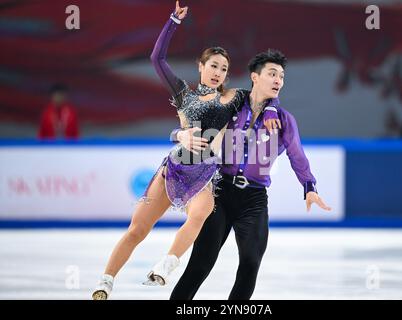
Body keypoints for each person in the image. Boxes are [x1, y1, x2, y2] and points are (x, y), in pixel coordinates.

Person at [91, 1, 279, 300]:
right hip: (174, 168)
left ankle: (166, 265)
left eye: (224, 68)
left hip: (204, 173)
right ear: (201, 66)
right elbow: (157, 58)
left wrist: (269, 113)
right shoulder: (183, 94)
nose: (218, 72)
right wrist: (173, 22)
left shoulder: (232, 98)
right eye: (214, 65)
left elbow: (266, 96)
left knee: (201, 212)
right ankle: (105, 282)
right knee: (137, 230)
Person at [169, 49, 332, 300]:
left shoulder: (283, 120)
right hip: (220, 194)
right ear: (254, 77)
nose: (279, 80)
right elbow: (192, 125)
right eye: (272, 74)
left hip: (254, 200)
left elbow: (297, 155)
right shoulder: (229, 106)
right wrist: (177, 135)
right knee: (201, 264)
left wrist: (309, 186)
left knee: (250, 263)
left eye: (282, 76)